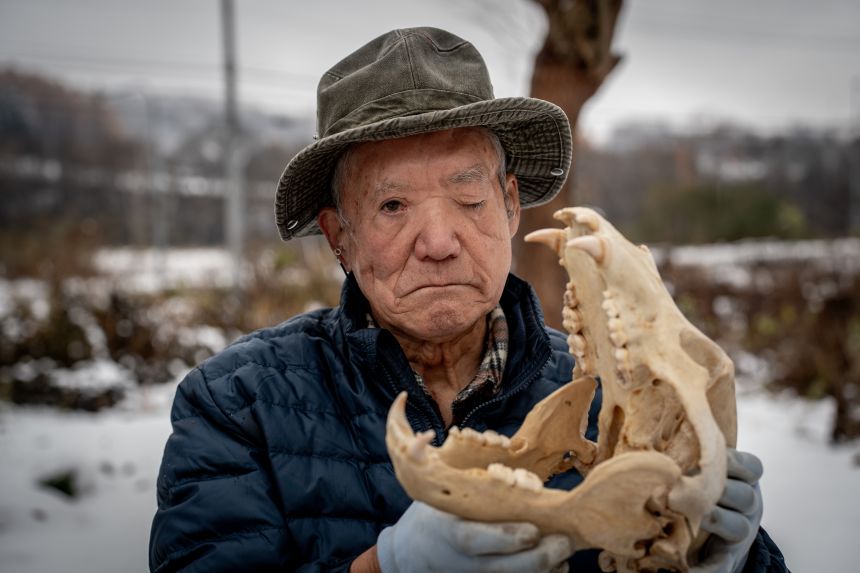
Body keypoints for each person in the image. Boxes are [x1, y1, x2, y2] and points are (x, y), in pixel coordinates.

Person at [149, 27, 787, 573]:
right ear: (339, 236)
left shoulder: (616, 395)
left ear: (510, 205)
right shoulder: (237, 403)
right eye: (393, 206)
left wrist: (726, 560)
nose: (439, 242)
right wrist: (388, 566)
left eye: (469, 197)